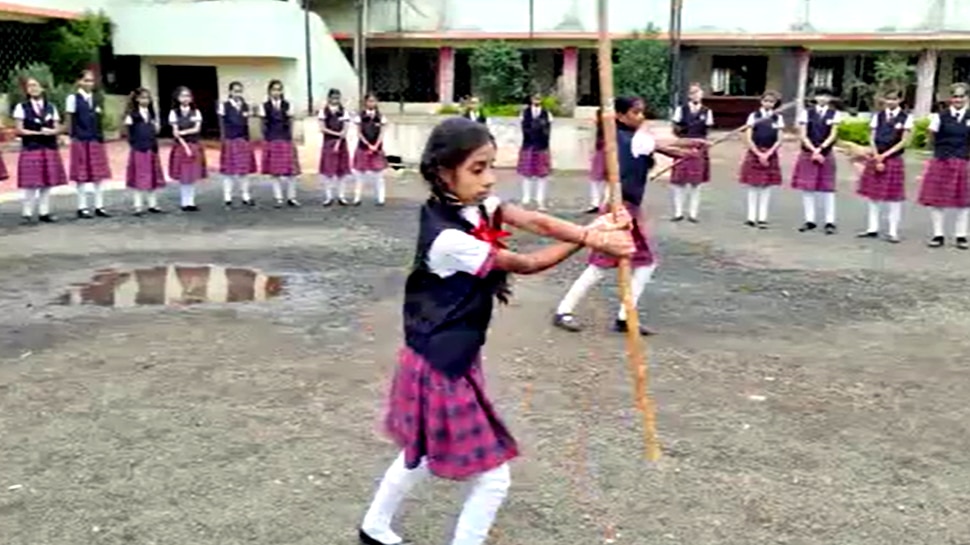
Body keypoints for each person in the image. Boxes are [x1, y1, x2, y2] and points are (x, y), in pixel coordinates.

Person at [357, 116, 634, 545]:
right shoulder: (448, 238)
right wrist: (595, 240)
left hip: (448, 355)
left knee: (419, 453)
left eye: (491, 166)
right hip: (439, 363)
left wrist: (590, 231)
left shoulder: (472, 206)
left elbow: (537, 223)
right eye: (477, 168)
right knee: (492, 479)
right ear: (443, 172)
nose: (488, 179)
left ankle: (373, 527)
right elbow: (526, 263)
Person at [553, 96, 693, 335]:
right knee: (602, 264)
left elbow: (660, 147)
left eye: (642, 112)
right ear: (620, 116)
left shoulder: (630, 137)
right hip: (619, 208)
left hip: (629, 208)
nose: (641, 116)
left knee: (644, 263)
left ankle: (624, 316)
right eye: (636, 112)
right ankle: (564, 310)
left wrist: (689, 147)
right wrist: (686, 149)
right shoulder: (626, 138)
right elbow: (660, 147)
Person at [918, 83, 970, 249]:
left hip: (964, 161)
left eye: (961, 96)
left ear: (967, 98)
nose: (958, 99)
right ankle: (938, 234)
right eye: (955, 96)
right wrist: (938, 154)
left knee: (964, 201)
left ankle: (961, 236)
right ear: (950, 99)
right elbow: (931, 139)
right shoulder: (939, 117)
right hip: (942, 160)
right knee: (937, 200)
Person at [856, 89, 912, 243]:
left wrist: (884, 156)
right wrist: (876, 156)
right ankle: (872, 228)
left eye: (894, 99)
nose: (891, 102)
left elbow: (904, 141)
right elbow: (872, 137)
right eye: (888, 99)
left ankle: (892, 231)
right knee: (873, 195)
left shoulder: (906, 118)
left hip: (893, 158)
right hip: (876, 157)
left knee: (894, 197)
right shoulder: (878, 116)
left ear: (900, 100)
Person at [14, 76, 68, 224]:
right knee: (31, 183)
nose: (33, 88)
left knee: (47, 182)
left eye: (35, 85)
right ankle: (27, 213)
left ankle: (45, 212)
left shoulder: (51, 107)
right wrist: (37, 133)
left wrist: (53, 132)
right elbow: (19, 129)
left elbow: (57, 127)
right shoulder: (22, 107)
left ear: (42, 88)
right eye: (30, 86)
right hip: (31, 147)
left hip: (49, 147)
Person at [792, 88, 842, 234]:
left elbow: (833, 134)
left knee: (828, 188)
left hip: (826, 153)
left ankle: (830, 221)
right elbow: (803, 134)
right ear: (815, 97)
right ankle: (810, 220)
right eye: (820, 95)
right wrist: (813, 151)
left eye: (826, 96)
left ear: (831, 98)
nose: (822, 98)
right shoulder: (806, 112)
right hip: (808, 152)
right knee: (807, 187)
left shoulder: (835, 114)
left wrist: (820, 149)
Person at [65, 69, 112, 219]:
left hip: (95, 139)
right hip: (80, 139)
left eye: (91, 80)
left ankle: (99, 206)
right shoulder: (73, 98)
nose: (89, 83)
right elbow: (69, 120)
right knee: (81, 175)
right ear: (79, 82)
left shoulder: (97, 98)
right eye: (86, 80)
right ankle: (82, 207)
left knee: (98, 175)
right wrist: (70, 136)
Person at [739, 90, 785, 228]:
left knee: (766, 187)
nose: (768, 104)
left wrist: (769, 153)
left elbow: (780, 138)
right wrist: (758, 153)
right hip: (755, 152)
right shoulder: (754, 116)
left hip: (770, 154)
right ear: (761, 101)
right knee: (753, 186)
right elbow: (748, 136)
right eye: (766, 101)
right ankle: (751, 217)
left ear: (775, 103)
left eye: (771, 102)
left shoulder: (778, 118)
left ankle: (763, 218)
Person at [670, 83, 713, 222]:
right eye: (692, 93)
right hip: (683, 146)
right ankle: (678, 212)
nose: (695, 95)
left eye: (698, 92)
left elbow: (707, 132)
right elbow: (675, 130)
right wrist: (685, 142)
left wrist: (701, 144)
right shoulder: (681, 110)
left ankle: (693, 214)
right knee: (679, 181)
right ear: (689, 95)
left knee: (696, 182)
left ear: (702, 94)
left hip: (699, 148)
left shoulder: (707, 111)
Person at [124, 87, 165, 216]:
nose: (145, 100)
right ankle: (138, 205)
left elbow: (156, 130)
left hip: (151, 148)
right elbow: (128, 132)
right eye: (142, 98)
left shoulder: (151, 114)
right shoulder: (132, 115)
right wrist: (135, 144)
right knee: (139, 177)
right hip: (139, 149)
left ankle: (153, 204)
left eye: (147, 98)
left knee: (152, 177)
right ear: (136, 99)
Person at [260, 79, 301, 208]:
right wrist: (266, 138)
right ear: (269, 91)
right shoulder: (265, 106)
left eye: (279, 89)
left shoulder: (287, 105)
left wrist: (291, 137)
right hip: (272, 139)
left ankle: (291, 197)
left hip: (285, 139)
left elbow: (291, 121)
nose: (276, 92)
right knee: (275, 172)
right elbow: (262, 124)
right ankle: (278, 198)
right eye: (274, 89)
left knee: (291, 171)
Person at [218, 81, 257, 207]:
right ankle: (227, 196)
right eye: (235, 91)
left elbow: (247, 123)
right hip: (230, 139)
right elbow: (222, 125)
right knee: (228, 171)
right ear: (230, 92)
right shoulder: (224, 106)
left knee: (244, 170)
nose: (237, 93)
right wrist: (224, 140)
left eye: (239, 91)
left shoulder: (245, 105)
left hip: (243, 139)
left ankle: (245, 195)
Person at [168, 86, 206, 212]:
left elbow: (197, 129)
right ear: (177, 98)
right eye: (183, 96)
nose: (186, 98)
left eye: (188, 96)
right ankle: (185, 202)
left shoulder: (196, 112)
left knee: (192, 175)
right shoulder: (174, 113)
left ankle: (191, 202)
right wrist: (182, 140)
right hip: (181, 146)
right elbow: (175, 133)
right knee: (184, 176)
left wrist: (182, 132)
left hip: (193, 144)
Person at [351, 92, 388, 206]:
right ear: (365, 102)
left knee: (379, 175)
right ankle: (357, 198)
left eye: (374, 101)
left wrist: (376, 145)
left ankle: (380, 198)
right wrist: (367, 144)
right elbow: (359, 133)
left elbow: (382, 133)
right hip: (363, 148)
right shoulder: (360, 116)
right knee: (359, 174)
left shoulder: (381, 117)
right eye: (369, 101)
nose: (371, 103)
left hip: (377, 149)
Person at [517, 93, 552, 210]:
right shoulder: (524, 112)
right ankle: (526, 198)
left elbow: (548, 129)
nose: (537, 100)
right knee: (526, 173)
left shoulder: (547, 113)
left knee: (542, 174)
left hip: (542, 146)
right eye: (535, 98)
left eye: (539, 98)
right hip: (528, 145)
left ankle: (540, 199)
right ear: (531, 99)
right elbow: (523, 127)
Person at [317, 88, 351, 206]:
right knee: (328, 171)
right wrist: (337, 134)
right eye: (333, 98)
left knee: (341, 171)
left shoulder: (344, 112)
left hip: (341, 144)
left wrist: (342, 135)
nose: (335, 100)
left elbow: (346, 128)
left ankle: (341, 196)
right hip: (328, 143)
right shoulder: (323, 112)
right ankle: (328, 197)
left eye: (337, 98)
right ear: (329, 98)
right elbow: (322, 128)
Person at [585, 107, 607, 213]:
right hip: (600, 150)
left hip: (609, 150)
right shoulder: (597, 125)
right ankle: (596, 203)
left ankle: (603, 203)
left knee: (607, 179)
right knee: (596, 178)